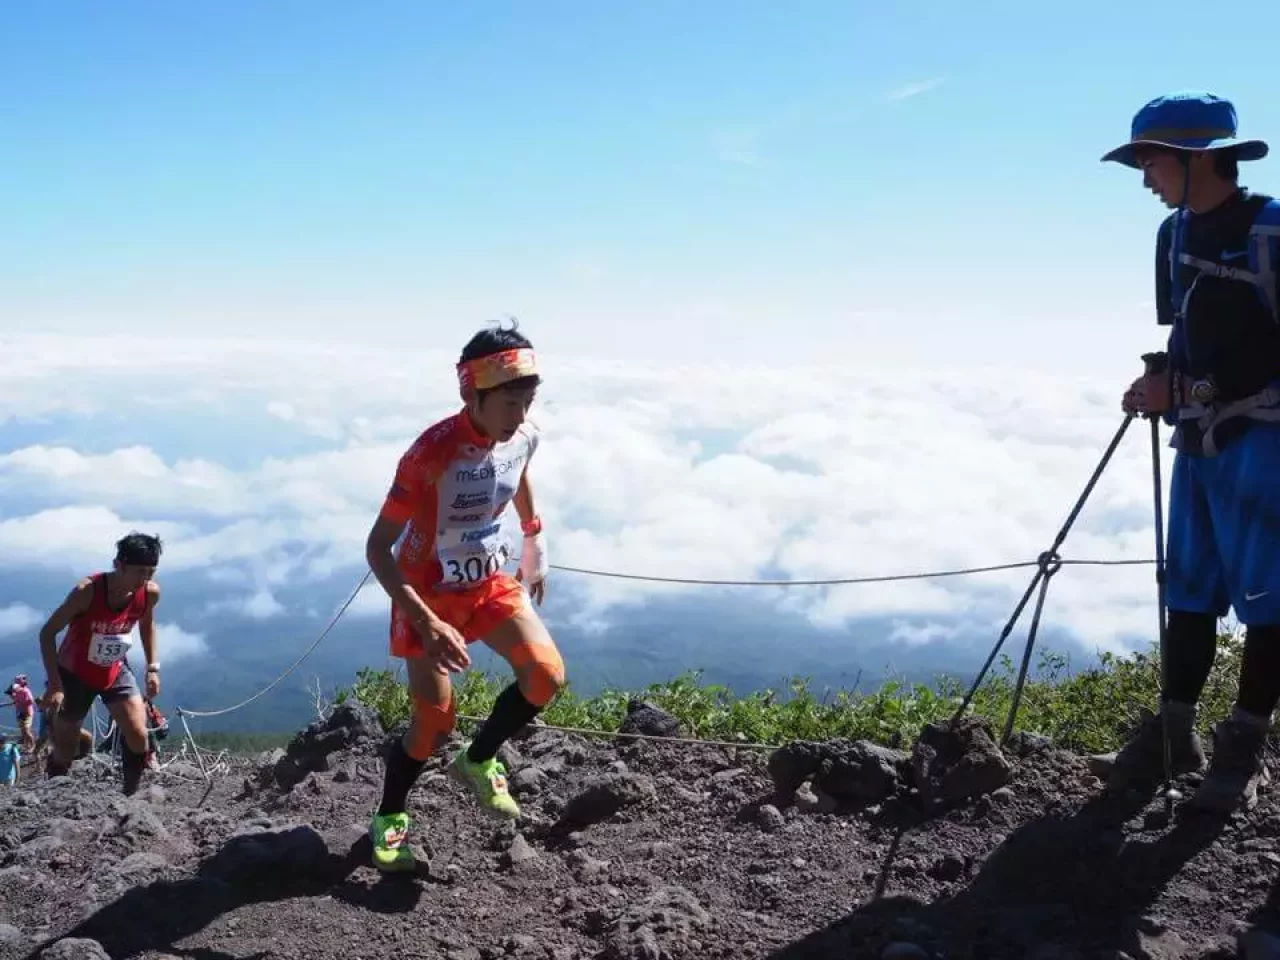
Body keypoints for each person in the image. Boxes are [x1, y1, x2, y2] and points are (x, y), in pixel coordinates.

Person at [1106, 91, 1279, 813]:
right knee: (1190, 588)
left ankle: (1242, 749)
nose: (1144, 177)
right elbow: (1187, 328)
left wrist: (1194, 384)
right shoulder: (1173, 234)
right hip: (1198, 436)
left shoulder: (1271, 229)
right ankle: (1175, 732)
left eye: (1149, 161)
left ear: (1194, 159)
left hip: (1264, 437)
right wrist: (1161, 375)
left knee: (1270, 600)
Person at [364, 321, 563, 872]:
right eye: (508, 402)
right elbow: (378, 549)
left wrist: (533, 539)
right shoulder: (430, 454)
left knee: (545, 675)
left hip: (486, 582)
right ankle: (389, 815)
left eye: (528, 401)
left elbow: (516, 469)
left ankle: (478, 761)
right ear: (469, 393)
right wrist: (427, 624)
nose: (519, 415)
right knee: (434, 721)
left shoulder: (521, 436)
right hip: (424, 594)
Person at [37, 531, 164, 796]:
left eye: (151, 571)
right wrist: (55, 685)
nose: (145, 578)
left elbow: (146, 623)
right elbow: (48, 633)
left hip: (114, 668)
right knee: (66, 748)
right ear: (119, 564)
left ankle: (131, 796)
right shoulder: (87, 592)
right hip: (74, 673)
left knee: (138, 735)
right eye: (139, 571)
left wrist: (152, 667)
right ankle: (52, 794)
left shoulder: (148, 593)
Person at [2, 675, 36, 753]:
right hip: (20, 713)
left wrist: (21, 704)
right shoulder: (17, 692)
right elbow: (14, 698)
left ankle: (33, 745)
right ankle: (27, 746)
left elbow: (31, 701)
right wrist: (13, 697)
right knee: (23, 731)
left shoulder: (25, 691)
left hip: (27, 713)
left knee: (26, 729)